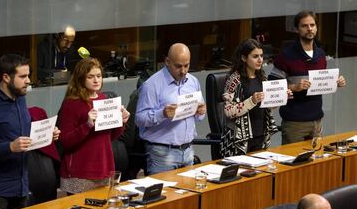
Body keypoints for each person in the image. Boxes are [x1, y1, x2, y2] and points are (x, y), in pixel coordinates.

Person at [0, 54, 59, 209]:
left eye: (28, 75)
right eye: (23, 76)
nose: (28, 80)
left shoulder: (20, 99)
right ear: (5, 77)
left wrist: (46, 134)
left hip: (21, 186)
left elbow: (22, 133)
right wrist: (9, 147)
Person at [269, 10, 346, 144]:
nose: (309, 29)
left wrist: (335, 82)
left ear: (316, 27)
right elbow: (272, 87)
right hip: (294, 122)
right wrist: (294, 87)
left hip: (317, 120)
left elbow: (321, 81)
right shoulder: (286, 56)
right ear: (296, 29)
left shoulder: (321, 55)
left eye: (312, 25)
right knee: (294, 163)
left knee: (317, 163)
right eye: (304, 26)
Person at [58, 57, 130, 194]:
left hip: (103, 167)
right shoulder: (71, 103)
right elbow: (65, 142)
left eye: (99, 76)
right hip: (80, 171)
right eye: (90, 77)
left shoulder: (103, 99)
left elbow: (109, 137)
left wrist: (121, 121)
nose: (96, 80)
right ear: (81, 78)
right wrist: (87, 125)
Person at [135, 43, 206, 175]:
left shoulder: (193, 82)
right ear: (167, 62)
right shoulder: (152, 85)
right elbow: (139, 119)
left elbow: (199, 117)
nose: (183, 71)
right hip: (162, 154)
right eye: (178, 66)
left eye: (187, 65)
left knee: (187, 194)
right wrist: (162, 114)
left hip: (188, 150)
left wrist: (201, 112)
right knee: (164, 194)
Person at [223, 39, 288, 155]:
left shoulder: (262, 77)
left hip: (261, 135)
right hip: (240, 139)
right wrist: (251, 101)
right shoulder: (234, 79)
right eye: (255, 56)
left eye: (261, 56)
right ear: (244, 58)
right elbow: (228, 111)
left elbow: (267, 107)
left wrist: (281, 97)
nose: (260, 60)